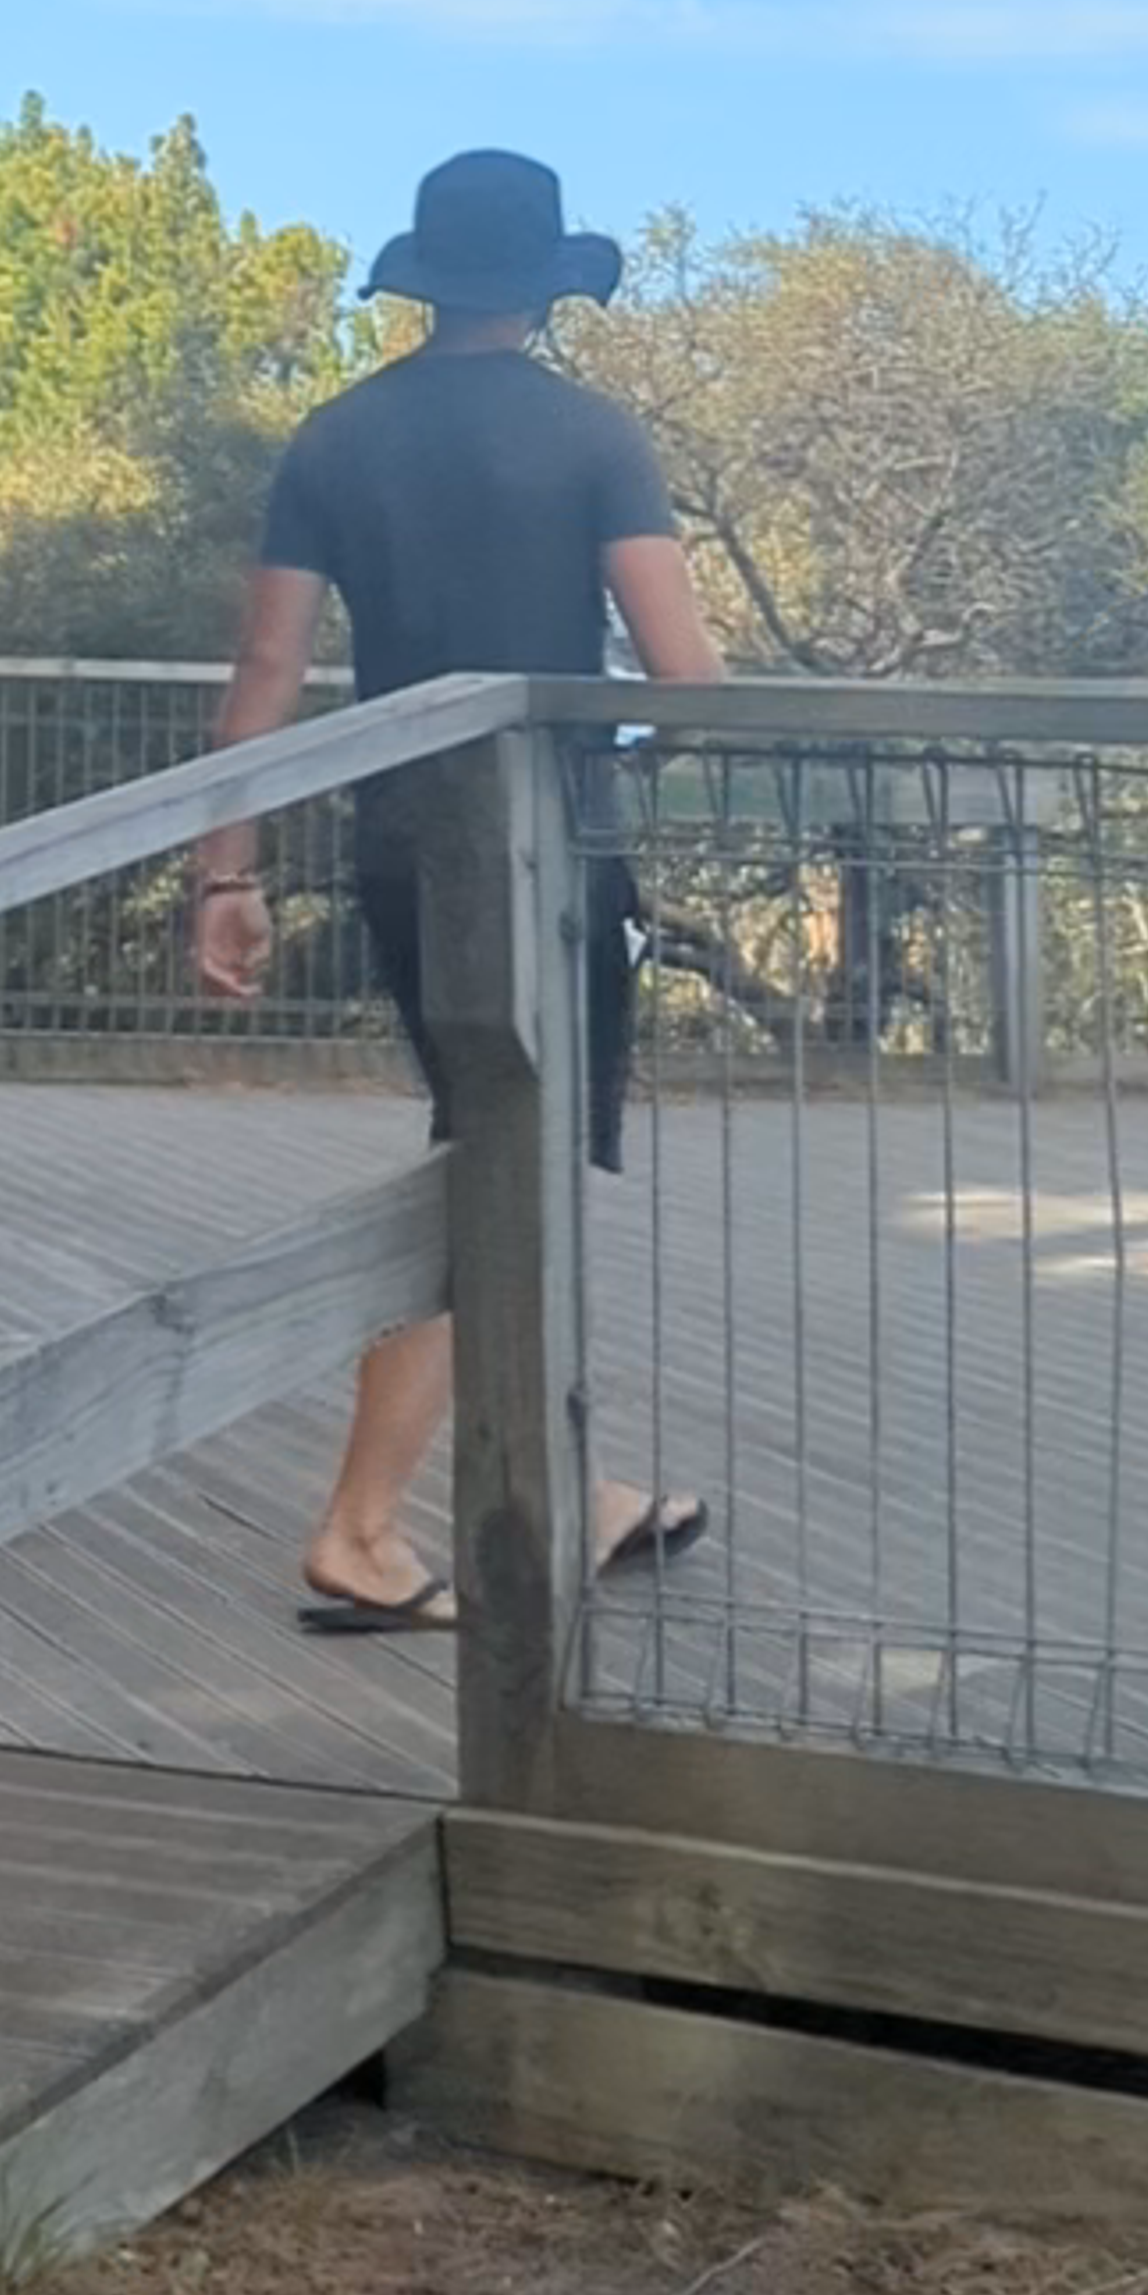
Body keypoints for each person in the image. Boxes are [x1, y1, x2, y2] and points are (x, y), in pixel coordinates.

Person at [189, 148, 725, 1634]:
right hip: (553, 850)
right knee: (498, 1163)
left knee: (507, 1149)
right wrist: (642, 757)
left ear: (423, 280)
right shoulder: (592, 436)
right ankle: (358, 1529)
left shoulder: (336, 440)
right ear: (550, 286)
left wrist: (226, 873)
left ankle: (565, 1477)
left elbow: (267, 672)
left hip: (402, 847)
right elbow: (683, 674)